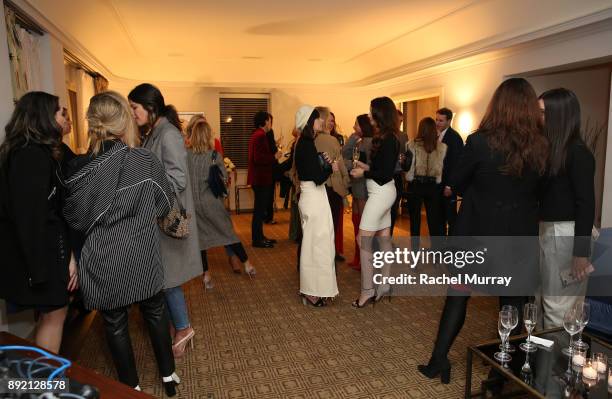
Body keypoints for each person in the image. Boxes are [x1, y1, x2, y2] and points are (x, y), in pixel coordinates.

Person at [418, 78, 548, 384]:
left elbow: (458, 183)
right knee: (511, 304)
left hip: (476, 234)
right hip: (517, 239)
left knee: (458, 296)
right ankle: (499, 376)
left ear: (497, 105)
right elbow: (542, 191)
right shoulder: (543, 146)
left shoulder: (479, 142)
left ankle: (438, 361)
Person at [63, 91, 180, 395]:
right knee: (155, 312)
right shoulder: (144, 160)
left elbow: (73, 221)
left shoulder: (77, 168)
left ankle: (131, 386)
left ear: (91, 122)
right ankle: (169, 377)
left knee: (114, 323)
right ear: (124, 121)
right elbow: (165, 204)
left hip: (103, 259)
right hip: (143, 254)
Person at [0, 91, 76, 353]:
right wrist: (39, 271)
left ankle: (42, 379)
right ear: (42, 116)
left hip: (46, 252)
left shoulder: (32, 151)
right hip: (41, 256)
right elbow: (30, 218)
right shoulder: (30, 156)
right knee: (55, 316)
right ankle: (45, 386)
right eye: (58, 111)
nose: (62, 116)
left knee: (53, 316)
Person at [128, 83, 201, 357]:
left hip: (167, 220)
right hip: (158, 219)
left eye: (134, 107)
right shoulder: (155, 132)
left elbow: (178, 179)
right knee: (165, 278)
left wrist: (144, 182)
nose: (132, 113)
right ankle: (178, 326)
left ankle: (183, 327)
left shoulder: (167, 134)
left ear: (149, 106)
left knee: (167, 279)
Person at [537, 88, 595, 329]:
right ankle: (543, 365)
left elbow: (586, 203)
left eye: (541, 112)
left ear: (557, 115)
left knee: (559, 308)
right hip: (550, 231)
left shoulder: (578, 153)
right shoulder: (553, 150)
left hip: (566, 235)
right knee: (543, 301)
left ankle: (557, 366)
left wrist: (580, 254)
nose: (536, 117)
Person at [185, 115, 257, 287]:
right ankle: (247, 264)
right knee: (228, 233)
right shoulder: (214, 155)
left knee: (201, 241)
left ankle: (207, 276)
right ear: (208, 135)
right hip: (212, 203)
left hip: (194, 204)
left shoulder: (186, 155)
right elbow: (224, 179)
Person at [350, 97, 400, 307]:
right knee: (384, 238)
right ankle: (385, 284)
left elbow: (385, 172)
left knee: (363, 240)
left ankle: (367, 290)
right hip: (383, 192)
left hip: (381, 193)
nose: (369, 116)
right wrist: (364, 165)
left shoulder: (389, 139)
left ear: (380, 114)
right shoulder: (386, 137)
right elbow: (381, 168)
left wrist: (364, 172)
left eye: (371, 112)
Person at [294, 105, 339, 306]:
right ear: (310, 122)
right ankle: (311, 291)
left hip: (314, 197)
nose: (321, 120)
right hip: (313, 197)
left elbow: (311, 172)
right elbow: (318, 178)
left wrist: (323, 162)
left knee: (319, 243)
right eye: (318, 118)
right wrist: (331, 167)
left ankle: (317, 288)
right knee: (316, 245)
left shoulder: (306, 143)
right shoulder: (305, 144)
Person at [315, 106, 350, 261]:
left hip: (317, 188)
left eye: (332, 121)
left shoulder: (309, 139)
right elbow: (340, 165)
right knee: (332, 225)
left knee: (319, 227)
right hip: (331, 187)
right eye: (329, 120)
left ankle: (320, 256)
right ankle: (330, 255)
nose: (331, 123)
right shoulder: (331, 140)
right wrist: (347, 182)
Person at [406, 117, 447, 246]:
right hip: (433, 186)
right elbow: (441, 167)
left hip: (416, 185)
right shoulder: (441, 147)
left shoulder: (411, 144)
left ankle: (415, 259)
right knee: (434, 222)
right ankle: (436, 257)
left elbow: (408, 167)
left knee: (415, 223)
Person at [342, 114, 374, 270]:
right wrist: (352, 139)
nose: (354, 127)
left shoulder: (369, 143)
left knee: (363, 225)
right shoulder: (359, 141)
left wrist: (349, 164)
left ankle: (364, 260)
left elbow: (364, 165)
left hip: (363, 188)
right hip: (356, 186)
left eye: (356, 124)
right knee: (356, 222)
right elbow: (345, 156)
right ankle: (357, 258)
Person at [247, 111, 280, 248]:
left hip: (259, 178)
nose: (271, 124)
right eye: (270, 121)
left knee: (259, 211)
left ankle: (260, 237)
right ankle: (257, 239)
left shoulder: (257, 134)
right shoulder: (260, 136)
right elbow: (259, 158)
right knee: (259, 211)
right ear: (266, 121)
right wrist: (275, 157)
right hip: (261, 178)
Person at [435, 107, 464, 236]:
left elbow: (456, 165)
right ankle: (440, 247)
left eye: (441, 120)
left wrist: (450, 186)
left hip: (448, 185)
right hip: (437, 184)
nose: (437, 123)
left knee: (451, 217)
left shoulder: (455, 138)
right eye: (436, 119)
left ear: (449, 121)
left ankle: (452, 248)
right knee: (439, 217)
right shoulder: (437, 135)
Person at [390, 109, 409, 236]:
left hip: (397, 176)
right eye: (398, 121)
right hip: (385, 176)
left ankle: (388, 238)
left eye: (402, 122)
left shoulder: (404, 136)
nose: (400, 124)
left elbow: (406, 155)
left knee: (394, 209)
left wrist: (404, 160)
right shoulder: (382, 135)